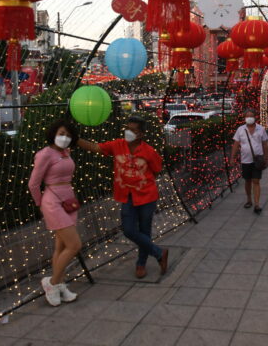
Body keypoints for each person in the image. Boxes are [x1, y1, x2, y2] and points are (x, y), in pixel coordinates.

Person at [77, 116, 169, 279]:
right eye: (127, 128)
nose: (128, 132)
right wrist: (74, 138)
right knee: (128, 230)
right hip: (127, 196)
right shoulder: (117, 145)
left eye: (133, 130)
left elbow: (156, 169)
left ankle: (141, 264)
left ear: (141, 134)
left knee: (144, 231)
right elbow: (95, 147)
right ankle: (158, 252)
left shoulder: (148, 151)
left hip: (147, 196)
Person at [29, 119, 82, 306]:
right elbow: (33, 183)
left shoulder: (66, 152)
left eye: (68, 135)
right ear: (53, 134)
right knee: (74, 245)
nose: (64, 138)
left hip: (68, 200)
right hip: (52, 202)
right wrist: (40, 204)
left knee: (61, 247)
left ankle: (59, 284)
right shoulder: (45, 154)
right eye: (61, 134)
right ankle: (51, 283)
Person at [231, 108, 268, 214]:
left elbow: (265, 145)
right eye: (247, 116)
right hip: (245, 160)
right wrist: (232, 158)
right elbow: (236, 144)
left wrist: (266, 158)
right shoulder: (240, 129)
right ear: (244, 118)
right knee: (247, 180)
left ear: (255, 117)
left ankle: (257, 204)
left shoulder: (261, 129)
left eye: (251, 116)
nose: (249, 118)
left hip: (258, 159)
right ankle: (249, 199)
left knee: (256, 181)